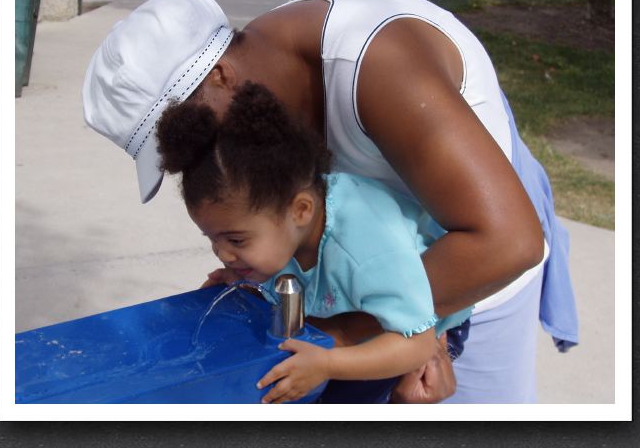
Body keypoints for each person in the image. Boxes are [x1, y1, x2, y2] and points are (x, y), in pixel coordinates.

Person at [82, 0, 578, 403]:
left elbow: (506, 243)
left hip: (479, 261)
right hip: (389, 286)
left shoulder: (379, 65)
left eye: (192, 134)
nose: (199, 159)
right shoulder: (259, 81)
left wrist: (349, 334)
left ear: (220, 75)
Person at [155, 82, 472, 403]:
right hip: (352, 314)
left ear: (301, 210)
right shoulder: (287, 225)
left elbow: (416, 342)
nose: (223, 253)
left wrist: (327, 364)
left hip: (411, 333)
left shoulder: (366, 248)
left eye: (236, 239)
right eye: (212, 239)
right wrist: (246, 279)